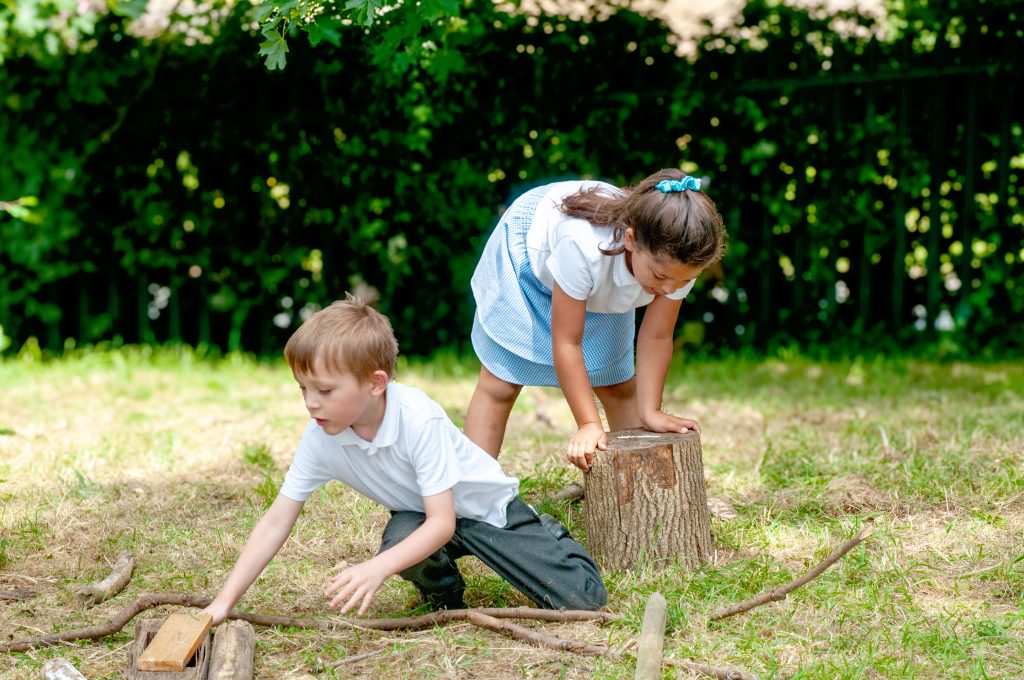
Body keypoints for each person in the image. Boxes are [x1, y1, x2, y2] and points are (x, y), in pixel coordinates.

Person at [201, 297, 606, 624]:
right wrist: (223, 602)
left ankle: (546, 533)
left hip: (487, 512)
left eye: (324, 390)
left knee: (582, 602)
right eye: (303, 389)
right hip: (423, 515)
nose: (310, 403)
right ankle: (445, 594)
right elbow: (276, 520)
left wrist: (376, 569)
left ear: (376, 384)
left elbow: (444, 522)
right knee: (400, 539)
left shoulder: (416, 417)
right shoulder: (322, 436)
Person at [465, 169, 727, 471]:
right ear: (631, 240)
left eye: (682, 282)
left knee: (617, 385)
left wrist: (651, 410)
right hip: (529, 261)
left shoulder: (680, 262)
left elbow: (656, 336)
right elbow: (567, 342)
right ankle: (474, 490)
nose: (669, 290)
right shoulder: (582, 248)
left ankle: (632, 487)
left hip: (599, 280)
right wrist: (588, 423)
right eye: (660, 276)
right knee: (500, 384)